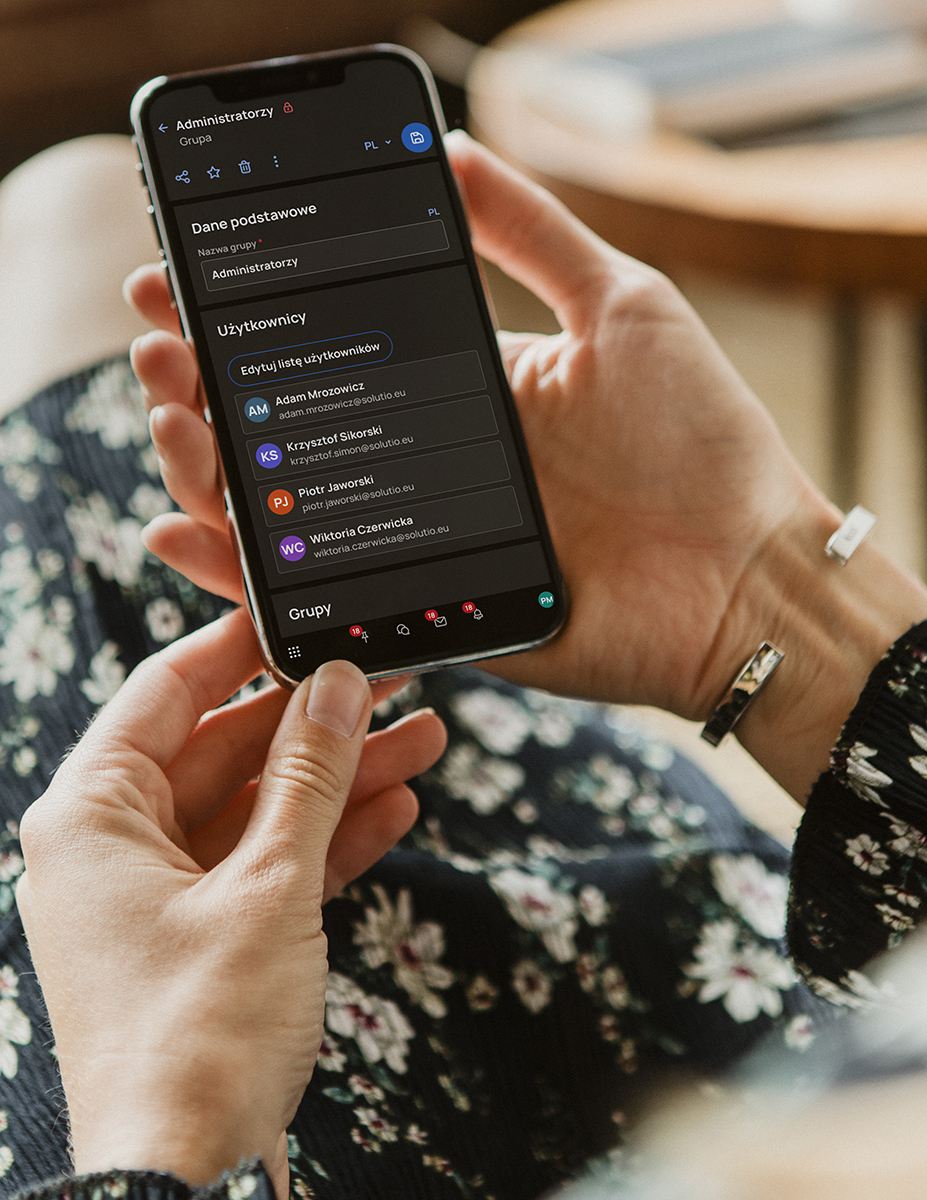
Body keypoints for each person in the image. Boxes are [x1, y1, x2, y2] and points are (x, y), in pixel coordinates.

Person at [0, 128, 925, 1200]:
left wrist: (161, 1108)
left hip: (222, 1121)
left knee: (77, 214)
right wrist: (769, 602)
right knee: (89, 211)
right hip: (720, 972)